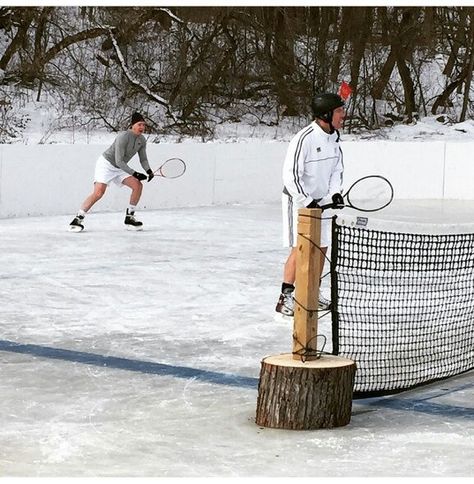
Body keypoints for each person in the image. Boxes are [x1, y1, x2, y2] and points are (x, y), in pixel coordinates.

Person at [275, 92, 346, 320]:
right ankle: (286, 296)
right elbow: (291, 176)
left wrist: (335, 193)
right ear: (326, 114)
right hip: (298, 201)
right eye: (338, 111)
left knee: (322, 246)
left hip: (322, 202)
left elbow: (337, 169)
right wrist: (307, 201)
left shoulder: (334, 138)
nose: (342, 115)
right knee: (301, 247)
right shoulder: (304, 138)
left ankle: (312, 292)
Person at [69, 112, 154, 232]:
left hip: (120, 168)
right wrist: (135, 173)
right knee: (99, 192)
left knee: (138, 185)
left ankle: (130, 216)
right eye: (139, 124)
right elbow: (119, 161)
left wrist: (148, 171)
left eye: (143, 125)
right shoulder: (123, 137)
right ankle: (78, 218)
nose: (142, 127)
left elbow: (143, 159)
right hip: (106, 164)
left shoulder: (142, 140)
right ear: (132, 125)